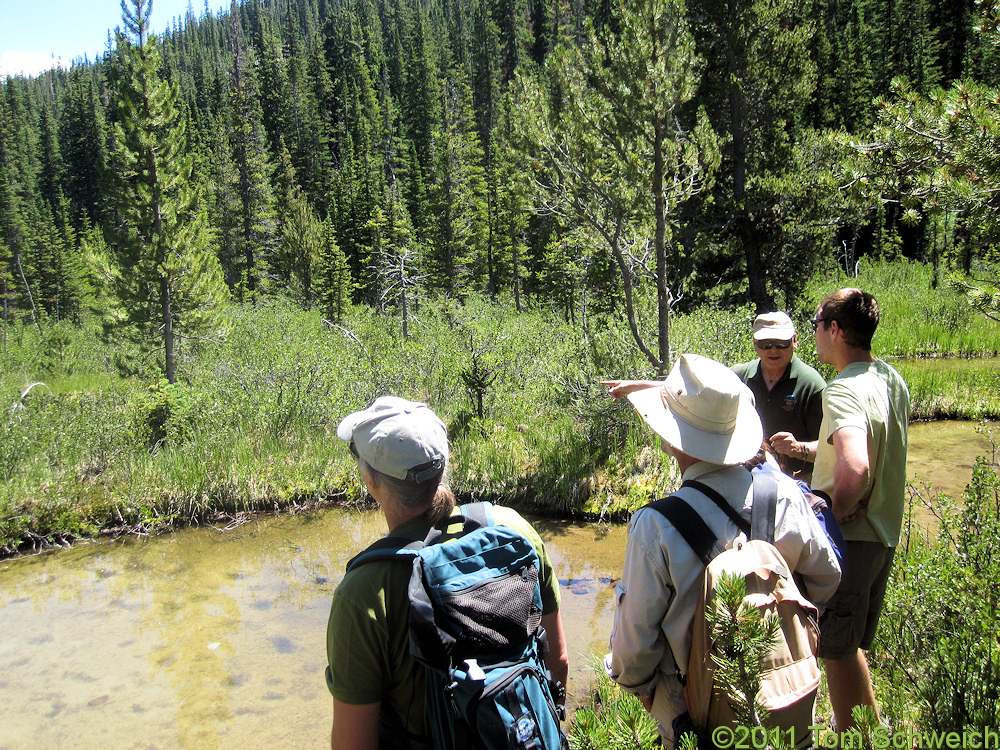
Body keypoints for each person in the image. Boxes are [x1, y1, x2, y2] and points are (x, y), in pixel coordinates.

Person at [604, 355, 841, 747]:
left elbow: (633, 656)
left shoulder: (656, 526)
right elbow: (827, 577)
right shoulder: (782, 492)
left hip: (695, 714)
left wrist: (649, 695)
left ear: (673, 437)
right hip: (788, 695)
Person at [326, 396, 569, 750]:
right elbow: (557, 660)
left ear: (372, 482)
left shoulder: (363, 592)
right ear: (443, 467)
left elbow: (352, 743)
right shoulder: (513, 529)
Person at [809, 289, 909, 732]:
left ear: (834, 328)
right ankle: (870, 733)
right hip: (884, 535)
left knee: (834, 647)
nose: (813, 332)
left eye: (816, 322)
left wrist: (836, 512)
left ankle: (857, 740)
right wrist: (810, 448)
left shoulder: (842, 389)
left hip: (852, 542)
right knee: (848, 647)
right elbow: (869, 445)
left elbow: (856, 466)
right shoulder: (891, 379)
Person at [731, 311, 827, 481]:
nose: (774, 350)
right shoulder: (738, 377)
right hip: (744, 482)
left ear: (794, 341)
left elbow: (832, 449)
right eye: (765, 344)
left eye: (781, 343)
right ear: (755, 344)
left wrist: (799, 448)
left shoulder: (811, 385)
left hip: (798, 486)